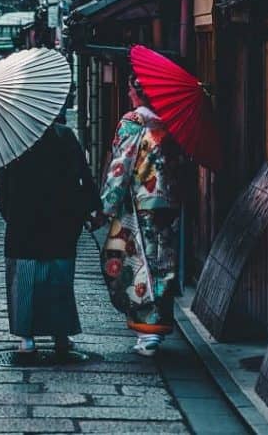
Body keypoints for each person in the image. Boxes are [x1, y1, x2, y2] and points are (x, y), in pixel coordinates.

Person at [0, 112, 102, 354]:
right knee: (59, 279)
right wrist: (90, 209)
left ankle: (26, 338)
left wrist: (11, 213)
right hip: (61, 220)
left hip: (24, 222)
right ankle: (61, 336)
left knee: (24, 280)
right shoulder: (64, 135)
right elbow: (82, 176)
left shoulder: (12, 139)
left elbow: (1, 183)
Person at [98, 74, 181, 356]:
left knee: (136, 264)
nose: (129, 92)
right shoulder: (167, 122)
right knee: (161, 263)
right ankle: (154, 327)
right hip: (165, 202)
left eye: (131, 88)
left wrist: (108, 204)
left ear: (137, 92)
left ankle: (147, 330)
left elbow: (121, 164)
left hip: (138, 203)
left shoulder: (133, 121)